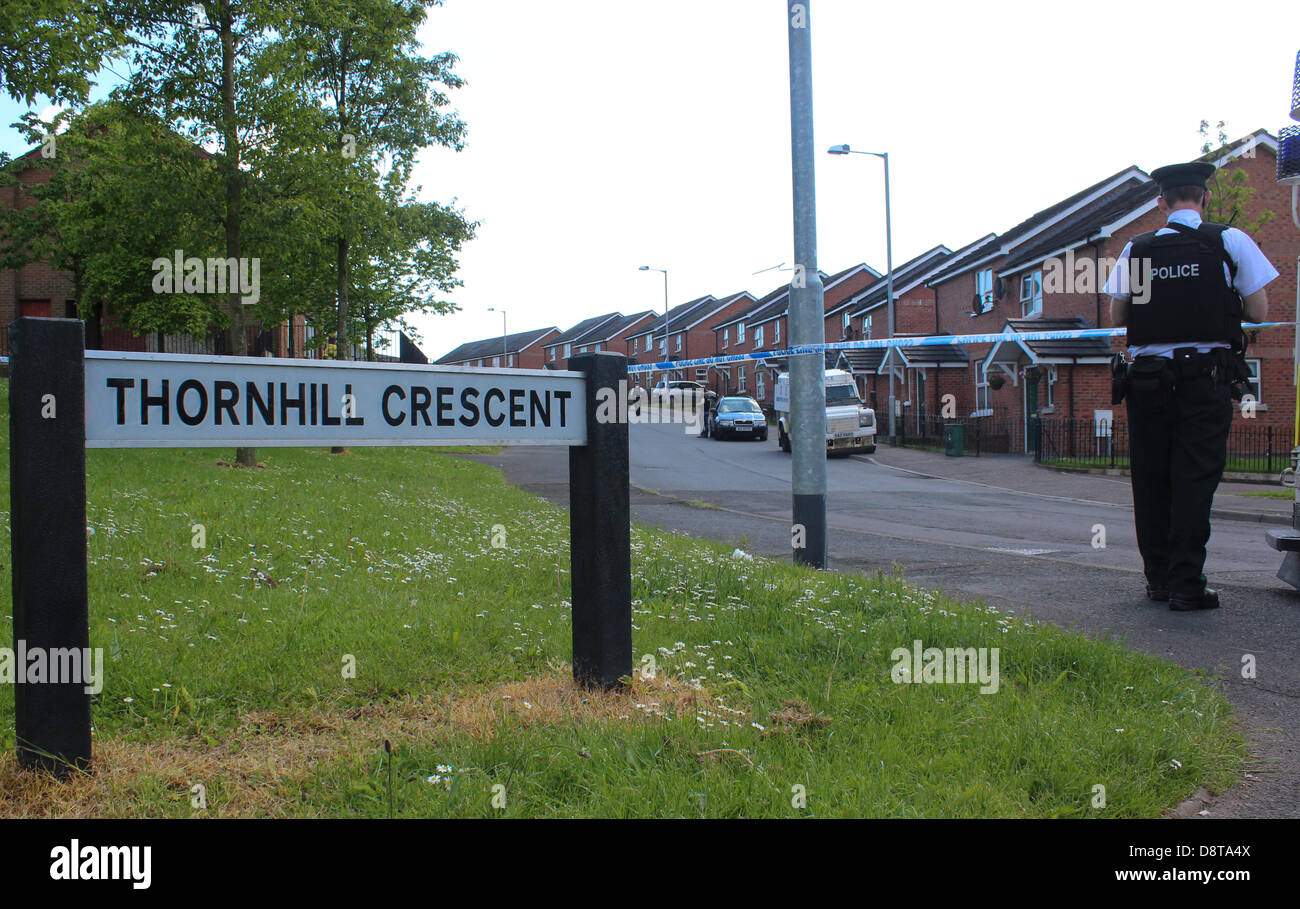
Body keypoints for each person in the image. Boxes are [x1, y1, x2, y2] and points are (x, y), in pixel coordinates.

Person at [1105, 161, 1278, 611]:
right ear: (1204, 198)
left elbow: (1119, 317)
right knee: (1194, 480)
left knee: (1151, 479)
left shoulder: (1136, 249)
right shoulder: (1228, 240)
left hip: (1147, 383)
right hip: (1203, 380)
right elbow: (1258, 311)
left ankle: (1157, 581)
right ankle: (1186, 586)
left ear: (1161, 202)